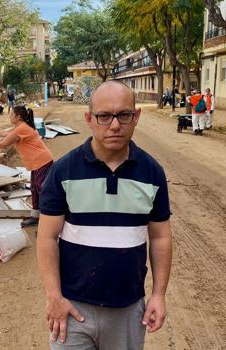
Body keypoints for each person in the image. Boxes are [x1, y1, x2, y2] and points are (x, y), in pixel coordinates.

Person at [37, 81, 173, 349]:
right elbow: (47, 238)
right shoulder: (64, 171)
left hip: (128, 311)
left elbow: (160, 237)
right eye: (104, 116)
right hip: (72, 310)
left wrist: (158, 295)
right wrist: (54, 296)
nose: (114, 125)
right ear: (89, 119)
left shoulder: (152, 173)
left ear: (136, 117)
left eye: (124, 115)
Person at [0, 105, 53, 227]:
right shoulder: (19, 127)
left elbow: (3, 143)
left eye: (11, 114)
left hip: (42, 162)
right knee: (34, 189)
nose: (9, 116)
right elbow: (4, 133)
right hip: (38, 162)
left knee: (42, 190)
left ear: (18, 117)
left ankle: (49, 219)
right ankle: (35, 216)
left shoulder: (21, 129)